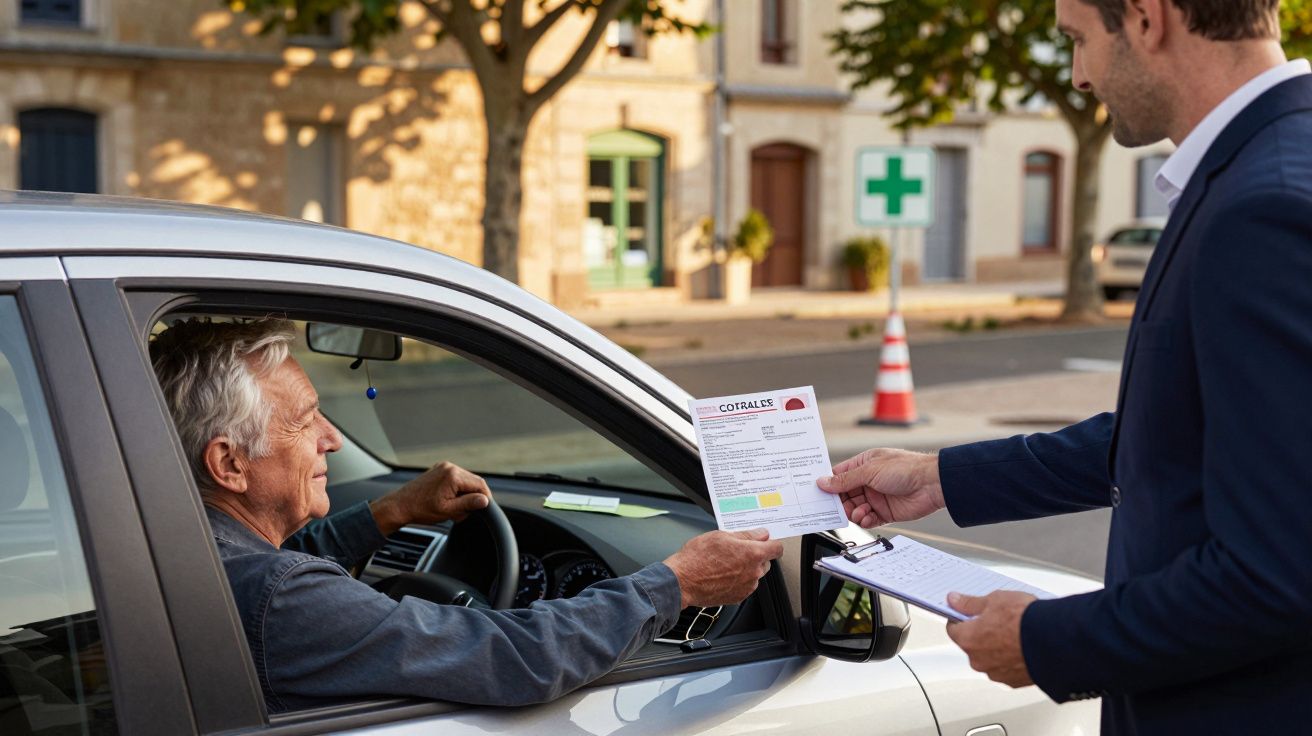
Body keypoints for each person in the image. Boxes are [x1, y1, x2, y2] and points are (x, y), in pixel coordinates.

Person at [820, 0, 1312, 732]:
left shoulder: (1260, 206)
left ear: (1147, 19)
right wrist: (940, 478)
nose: (1078, 78)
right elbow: (1178, 437)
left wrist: (1044, 642)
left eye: (1079, 41)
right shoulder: (1266, 165)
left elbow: (1279, 570)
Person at [149, 317, 782, 713]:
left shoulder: (188, 546)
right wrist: (674, 584)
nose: (332, 439)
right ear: (230, 464)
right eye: (304, 420)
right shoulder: (285, 601)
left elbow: (282, 566)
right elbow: (519, 659)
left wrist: (392, 511)